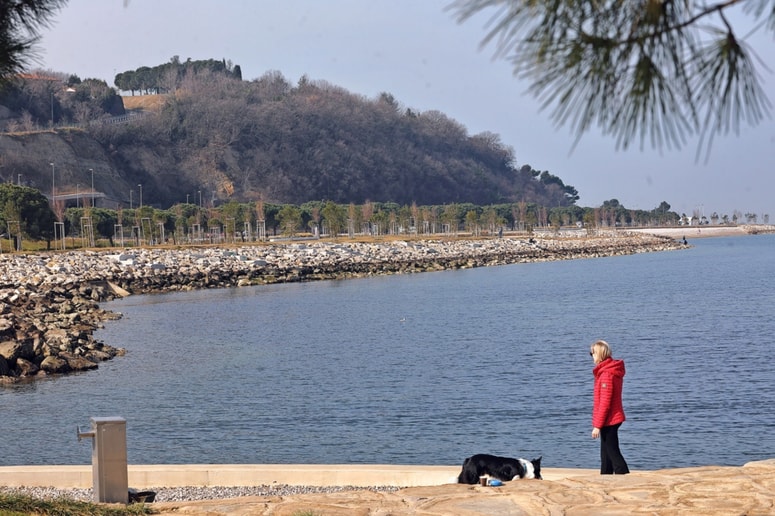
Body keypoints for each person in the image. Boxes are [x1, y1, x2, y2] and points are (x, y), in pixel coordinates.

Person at [590, 339, 630, 474]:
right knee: (606, 454)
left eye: (593, 353)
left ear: (599, 354)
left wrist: (597, 426)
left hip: (610, 419)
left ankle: (623, 476)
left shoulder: (607, 374)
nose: (592, 356)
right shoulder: (607, 370)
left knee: (612, 452)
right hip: (610, 418)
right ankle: (605, 477)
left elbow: (605, 403)